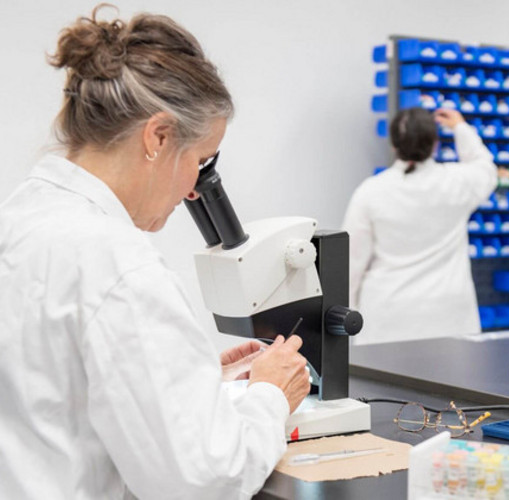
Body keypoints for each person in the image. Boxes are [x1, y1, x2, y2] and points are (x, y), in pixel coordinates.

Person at [0, 7, 310, 499]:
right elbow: (204, 481)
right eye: (200, 161)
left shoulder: (21, 216)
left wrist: (185, 382)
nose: (194, 189)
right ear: (159, 136)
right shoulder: (118, 263)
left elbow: (48, 389)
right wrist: (271, 396)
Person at [342, 108, 497, 345]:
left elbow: (351, 262)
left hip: (389, 313)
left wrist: (345, 317)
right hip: (448, 314)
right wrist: (460, 127)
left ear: (394, 145)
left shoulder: (371, 191)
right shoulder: (457, 182)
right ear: (435, 144)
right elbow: (485, 167)